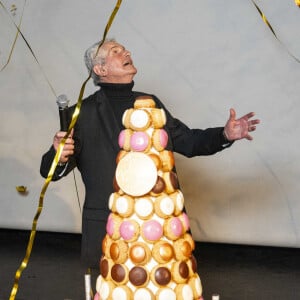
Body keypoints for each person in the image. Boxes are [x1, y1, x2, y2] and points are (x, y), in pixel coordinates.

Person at [40, 38, 260, 268]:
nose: (126, 52)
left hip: (157, 225)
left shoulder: (151, 103)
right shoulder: (81, 113)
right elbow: (50, 172)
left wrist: (224, 135)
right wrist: (58, 153)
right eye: (116, 51)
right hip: (111, 228)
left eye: (124, 48)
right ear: (100, 69)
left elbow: (189, 142)